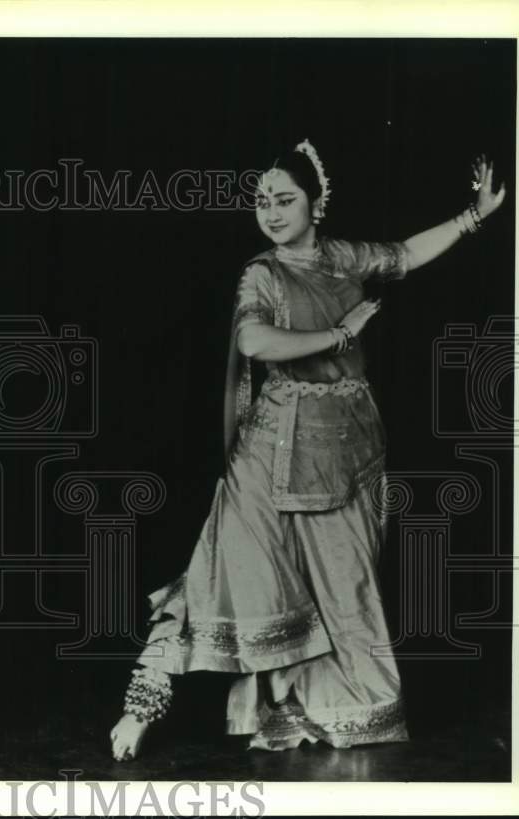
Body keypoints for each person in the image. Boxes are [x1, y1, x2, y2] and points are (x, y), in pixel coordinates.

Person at [110, 140, 507, 760]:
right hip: (270, 449)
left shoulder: (344, 258)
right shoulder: (262, 272)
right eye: (262, 201)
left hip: (346, 446)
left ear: (317, 205)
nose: (270, 212)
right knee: (222, 570)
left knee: (342, 589)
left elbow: (402, 254)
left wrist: (473, 216)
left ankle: (311, 712)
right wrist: (340, 332)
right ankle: (142, 705)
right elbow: (252, 339)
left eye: (284, 199)